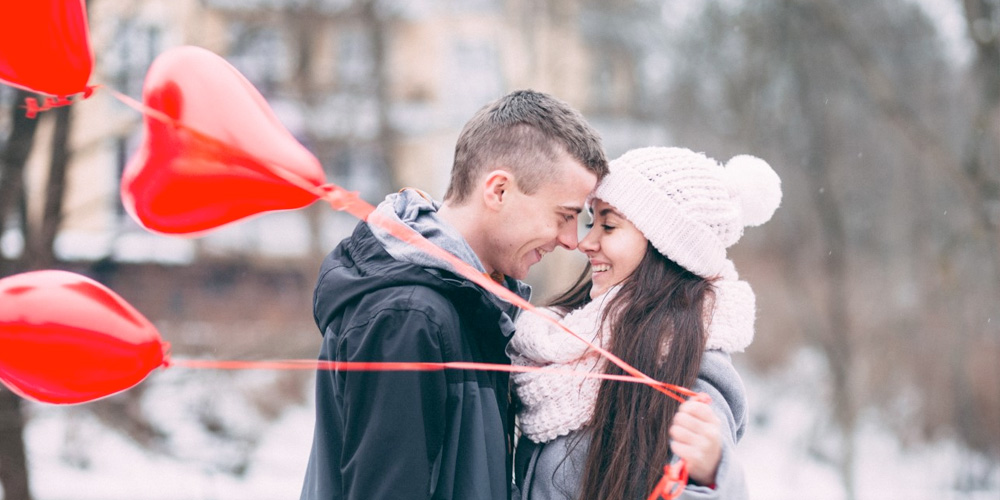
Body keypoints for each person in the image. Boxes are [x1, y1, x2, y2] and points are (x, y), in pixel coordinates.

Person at [300, 90, 608, 500]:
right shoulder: (409, 317)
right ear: (498, 190)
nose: (572, 240)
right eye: (565, 216)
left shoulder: (472, 304)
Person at [509, 146, 782, 499]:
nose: (586, 242)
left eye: (608, 225)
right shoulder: (557, 347)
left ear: (666, 248)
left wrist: (711, 474)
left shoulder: (690, 372)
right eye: (591, 221)